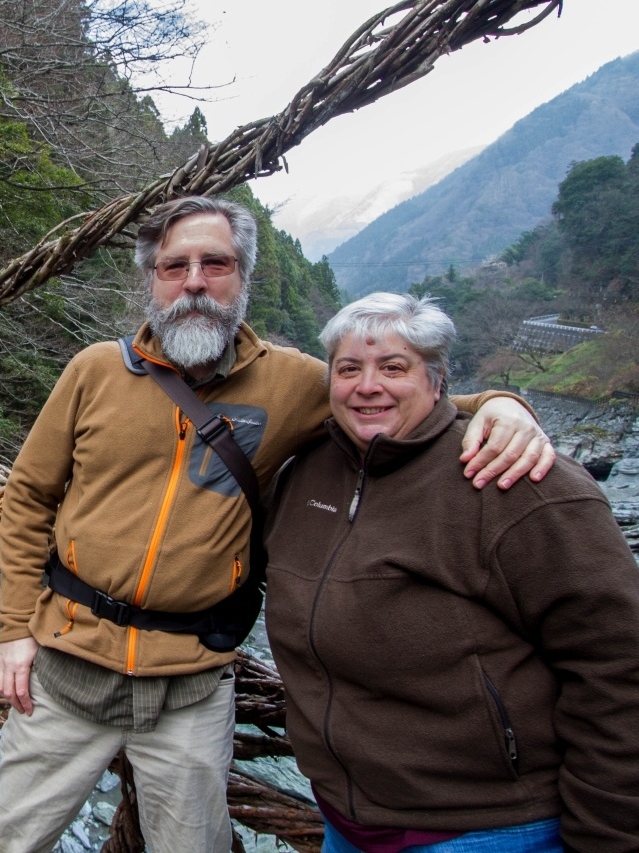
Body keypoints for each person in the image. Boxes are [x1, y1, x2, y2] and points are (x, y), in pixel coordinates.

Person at [0, 196, 556, 853]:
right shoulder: (94, 372)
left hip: (188, 691)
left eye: (214, 263)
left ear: (242, 277)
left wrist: (505, 404)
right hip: (66, 674)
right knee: (6, 842)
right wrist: (15, 628)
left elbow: (406, 397)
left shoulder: (294, 383)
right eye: (175, 266)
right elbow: (27, 497)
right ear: (152, 280)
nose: (194, 281)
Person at [264, 292, 639, 853]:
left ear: (437, 381)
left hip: (490, 828)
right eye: (349, 369)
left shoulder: (516, 481)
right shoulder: (304, 474)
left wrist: (606, 836)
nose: (368, 385)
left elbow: (618, 667)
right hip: (345, 820)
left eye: (395, 367)